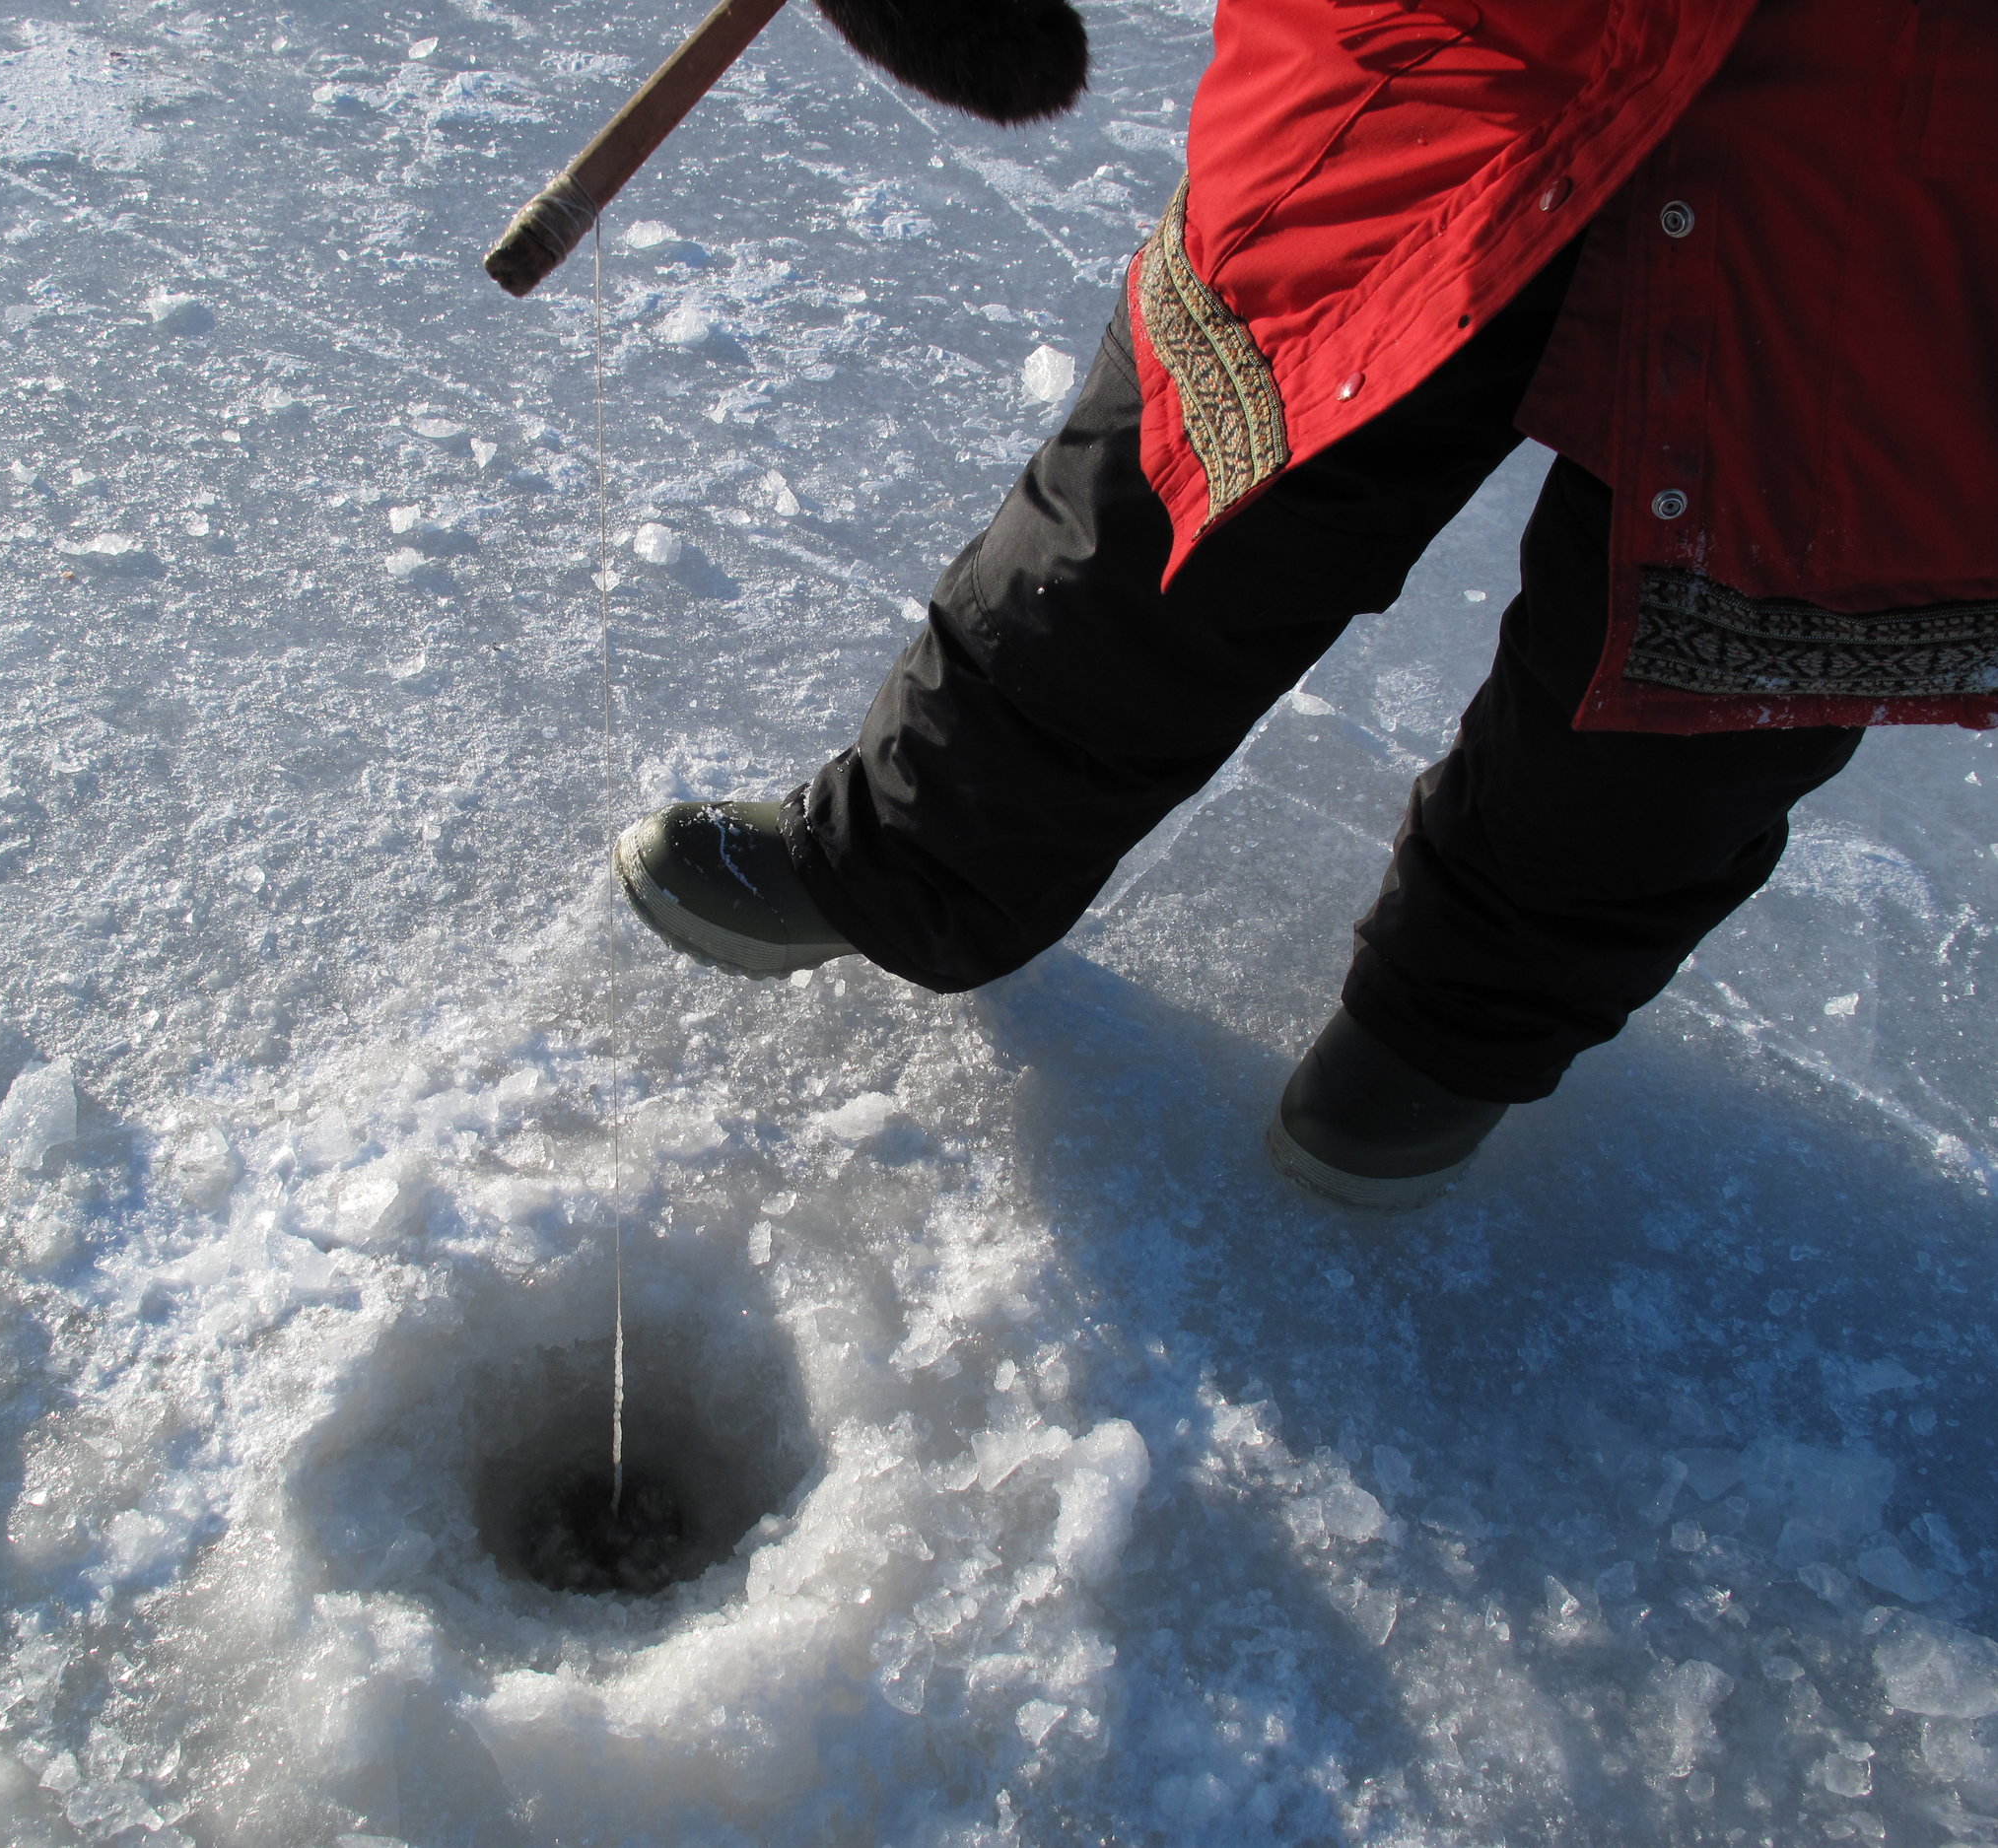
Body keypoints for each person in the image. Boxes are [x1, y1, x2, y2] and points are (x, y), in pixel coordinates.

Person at [613, 0, 1998, 1208]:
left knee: (1718, 641)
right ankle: (909, 863)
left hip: (1930, 140)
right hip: (1483, 43)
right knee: (1200, 467)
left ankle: (1447, 1044)